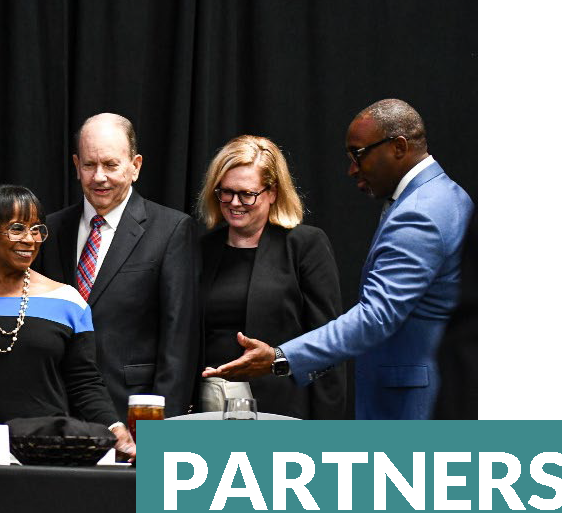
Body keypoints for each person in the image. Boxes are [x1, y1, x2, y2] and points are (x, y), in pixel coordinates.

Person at [203, 99, 474, 420]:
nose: (352, 168)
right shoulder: (448, 195)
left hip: (408, 406)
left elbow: (375, 317)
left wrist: (279, 356)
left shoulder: (418, 213)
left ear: (398, 147)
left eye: (358, 154)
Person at [0, 185, 134, 455]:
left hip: (44, 451)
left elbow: (84, 382)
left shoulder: (69, 301)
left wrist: (115, 428)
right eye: (17, 228)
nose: (29, 239)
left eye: (36, 229)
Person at [37, 113, 198, 418]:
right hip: (58, 413)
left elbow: (179, 342)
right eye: (89, 165)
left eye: (111, 165)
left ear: (135, 166)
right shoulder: (51, 230)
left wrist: (159, 428)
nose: (99, 177)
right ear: (76, 166)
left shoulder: (171, 230)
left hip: (132, 411)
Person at [196, 135, 346, 418]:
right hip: (208, 410)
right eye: (225, 192)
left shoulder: (304, 245)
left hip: (281, 411)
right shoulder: (202, 248)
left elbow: (329, 344)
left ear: (273, 192)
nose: (234, 202)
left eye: (247, 194)